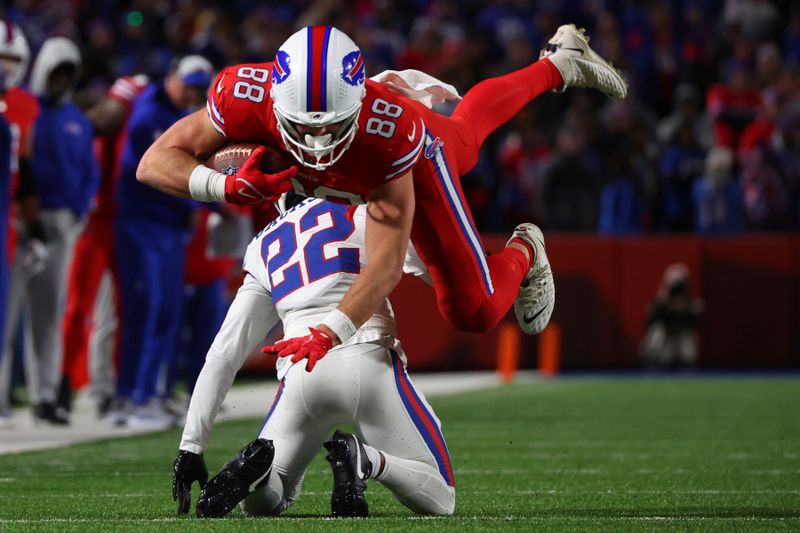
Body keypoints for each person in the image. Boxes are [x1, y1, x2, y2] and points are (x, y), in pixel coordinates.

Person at [138, 24, 627, 371]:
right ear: (276, 101)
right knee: (468, 132)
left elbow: (387, 264)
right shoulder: (240, 93)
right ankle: (559, 63)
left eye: (332, 124)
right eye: (306, 127)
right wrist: (222, 185)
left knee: (473, 309)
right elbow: (155, 160)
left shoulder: (392, 131)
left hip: (391, 172)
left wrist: (331, 330)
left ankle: (526, 247)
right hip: (341, 189)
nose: (318, 142)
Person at [172, 193, 453, 519]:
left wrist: (191, 445)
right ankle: (367, 460)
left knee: (263, 504)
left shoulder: (262, 246)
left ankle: (258, 473)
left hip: (301, 371)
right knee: (441, 497)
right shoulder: (365, 212)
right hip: (367, 357)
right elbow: (443, 271)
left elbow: (224, 353)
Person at [110, 56, 214, 428]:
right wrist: (201, 197)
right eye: (189, 84)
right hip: (142, 224)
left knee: (167, 311)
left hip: (169, 228)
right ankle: (129, 397)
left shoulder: (181, 113)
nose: (193, 92)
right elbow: (159, 174)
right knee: (145, 308)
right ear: (171, 77)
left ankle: (147, 395)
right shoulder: (149, 113)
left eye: (201, 87)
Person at [59, 74, 149, 418]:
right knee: (79, 308)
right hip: (93, 225)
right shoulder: (95, 133)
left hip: (120, 224)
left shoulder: (137, 127)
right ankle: (63, 380)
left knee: (116, 312)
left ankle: (107, 389)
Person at [0, 20, 43, 427]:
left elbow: (25, 166)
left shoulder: (26, 104)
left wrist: (34, 224)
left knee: (6, 312)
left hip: (8, 215)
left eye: (13, 60)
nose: (7, 67)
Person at [639, 263, 704, 369]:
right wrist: (663, 305)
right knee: (656, 332)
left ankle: (687, 370)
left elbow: (695, 323)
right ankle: (652, 366)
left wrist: (685, 309)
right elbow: (649, 321)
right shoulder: (660, 302)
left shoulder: (692, 303)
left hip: (680, 337)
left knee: (687, 344)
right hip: (666, 337)